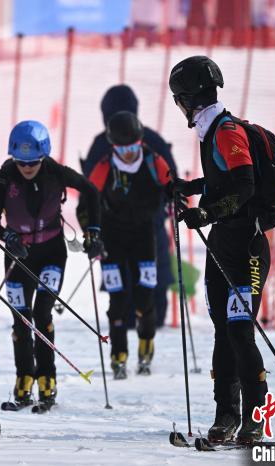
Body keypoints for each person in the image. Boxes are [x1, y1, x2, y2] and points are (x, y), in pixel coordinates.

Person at [169, 55, 275, 444]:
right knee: (223, 330)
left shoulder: (226, 131)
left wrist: (207, 213)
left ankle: (254, 417)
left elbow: (245, 185)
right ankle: (226, 416)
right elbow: (223, 180)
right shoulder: (213, 129)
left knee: (239, 331)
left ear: (188, 99)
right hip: (223, 242)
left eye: (178, 100)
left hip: (247, 247)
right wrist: (190, 188)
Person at [0, 120, 102, 410]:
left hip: (52, 253)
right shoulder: (3, 177)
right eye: (21, 162)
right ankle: (24, 379)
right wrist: (8, 237)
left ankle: (47, 380)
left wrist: (93, 231)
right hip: (18, 257)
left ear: (43, 157)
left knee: (41, 313)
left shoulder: (56, 172)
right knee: (21, 319)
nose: (27, 168)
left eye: (33, 162)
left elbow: (91, 191)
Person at [81, 111, 171, 380]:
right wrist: (90, 234)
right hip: (112, 238)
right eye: (122, 149)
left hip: (144, 235)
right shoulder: (105, 166)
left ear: (140, 142)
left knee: (145, 296)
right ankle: (118, 355)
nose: (129, 154)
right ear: (113, 147)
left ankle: (146, 347)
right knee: (118, 298)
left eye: (133, 147)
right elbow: (87, 201)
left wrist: (176, 200)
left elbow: (172, 186)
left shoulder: (153, 160)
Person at [82, 84, 177, 329]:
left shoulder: (102, 142)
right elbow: (172, 180)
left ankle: (125, 330)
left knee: (123, 295)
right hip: (150, 226)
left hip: (116, 229)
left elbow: (88, 186)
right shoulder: (151, 138)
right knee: (150, 286)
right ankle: (147, 331)